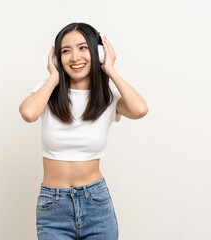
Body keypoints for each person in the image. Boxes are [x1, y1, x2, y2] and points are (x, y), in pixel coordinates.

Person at [19, 22, 148, 240]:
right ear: (57, 58)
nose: (74, 57)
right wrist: (53, 77)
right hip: (53, 207)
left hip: (96, 204)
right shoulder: (47, 91)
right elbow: (29, 113)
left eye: (83, 48)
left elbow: (140, 109)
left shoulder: (108, 98)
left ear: (98, 53)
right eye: (65, 51)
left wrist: (110, 69)